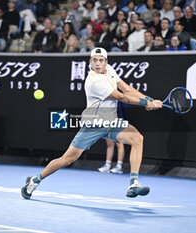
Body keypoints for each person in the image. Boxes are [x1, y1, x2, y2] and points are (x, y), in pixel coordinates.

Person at [21, 47, 162, 200]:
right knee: (67, 159)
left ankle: (133, 183)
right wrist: (147, 103)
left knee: (137, 138)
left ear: (106, 62)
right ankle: (35, 181)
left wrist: (149, 100)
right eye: (94, 60)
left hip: (111, 121)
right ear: (90, 62)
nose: (97, 63)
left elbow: (127, 88)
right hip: (93, 124)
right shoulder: (94, 81)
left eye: (101, 60)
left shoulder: (109, 70)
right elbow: (122, 97)